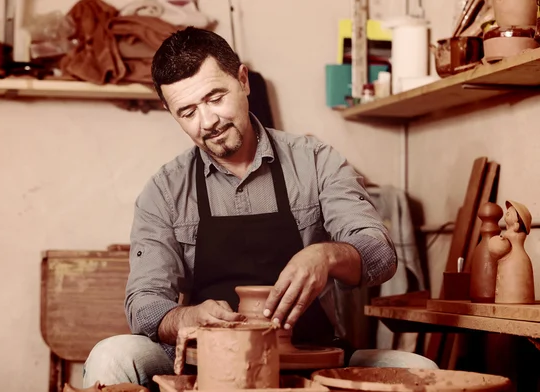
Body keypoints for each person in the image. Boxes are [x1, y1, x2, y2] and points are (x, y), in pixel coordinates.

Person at [83, 26, 397, 390]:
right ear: (172, 114)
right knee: (111, 355)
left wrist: (327, 256)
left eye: (215, 97)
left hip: (308, 352)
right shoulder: (165, 190)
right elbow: (144, 305)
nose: (208, 122)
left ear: (243, 81)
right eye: (187, 112)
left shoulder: (315, 161)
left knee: (412, 364)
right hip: (204, 359)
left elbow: (380, 255)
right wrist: (188, 317)